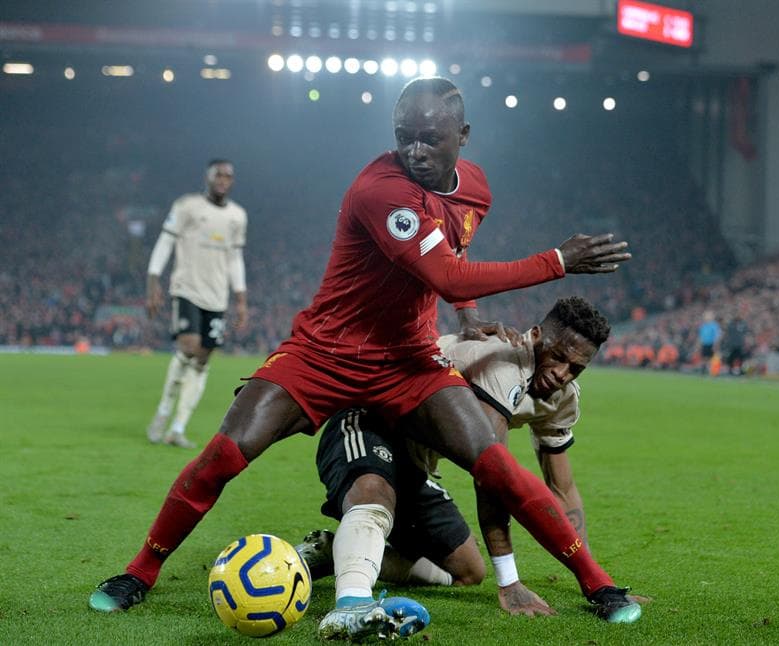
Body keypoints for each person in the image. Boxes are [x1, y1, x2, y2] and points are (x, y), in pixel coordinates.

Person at [89, 77, 635, 639]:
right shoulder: (381, 191)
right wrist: (556, 260)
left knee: (495, 464)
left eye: (430, 138)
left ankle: (597, 584)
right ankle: (139, 572)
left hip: (408, 360)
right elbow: (445, 274)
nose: (415, 150)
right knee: (227, 452)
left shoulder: (475, 190)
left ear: (463, 136)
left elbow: (453, 255)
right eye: (405, 137)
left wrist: (468, 315)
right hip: (324, 352)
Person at [299, 297, 634, 627]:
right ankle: (351, 602)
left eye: (576, 368)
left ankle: (333, 552)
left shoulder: (562, 398)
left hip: (415, 463)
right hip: (367, 425)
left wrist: (591, 576)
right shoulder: (502, 359)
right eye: (558, 357)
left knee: (466, 571)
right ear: (536, 335)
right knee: (376, 497)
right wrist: (509, 582)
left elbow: (562, 487)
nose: (562, 373)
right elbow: (491, 473)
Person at [144, 160, 249, 448]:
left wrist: (240, 299)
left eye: (228, 175)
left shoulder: (237, 216)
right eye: (218, 174)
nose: (223, 179)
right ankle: (163, 413)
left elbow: (234, 259)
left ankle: (178, 427)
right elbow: (165, 243)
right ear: (208, 177)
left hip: (216, 297)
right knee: (188, 348)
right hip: (187, 289)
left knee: (202, 360)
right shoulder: (187, 206)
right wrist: (153, 281)